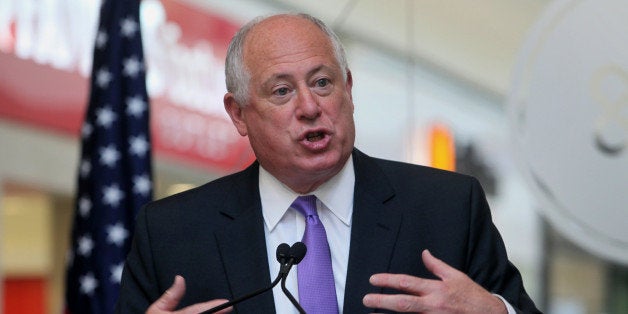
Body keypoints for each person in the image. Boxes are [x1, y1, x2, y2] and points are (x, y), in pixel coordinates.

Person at [116, 13, 540, 314]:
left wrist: (495, 313)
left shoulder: (447, 208)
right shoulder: (172, 233)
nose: (309, 107)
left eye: (322, 83)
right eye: (281, 91)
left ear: (349, 89)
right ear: (239, 114)